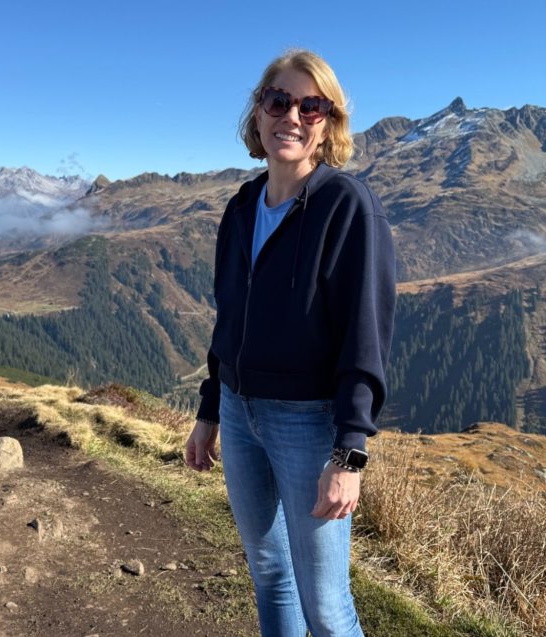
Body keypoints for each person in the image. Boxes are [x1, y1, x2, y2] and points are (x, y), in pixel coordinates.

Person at [185, 49, 396, 637]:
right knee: (270, 574)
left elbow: (365, 337)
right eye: (279, 101)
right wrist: (210, 411)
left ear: (328, 124)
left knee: (326, 605)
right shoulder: (241, 207)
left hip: (308, 423)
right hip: (238, 410)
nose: (292, 117)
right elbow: (229, 319)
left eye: (312, 107)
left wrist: (349, 454)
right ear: (258, 112)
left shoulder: (347, 206)